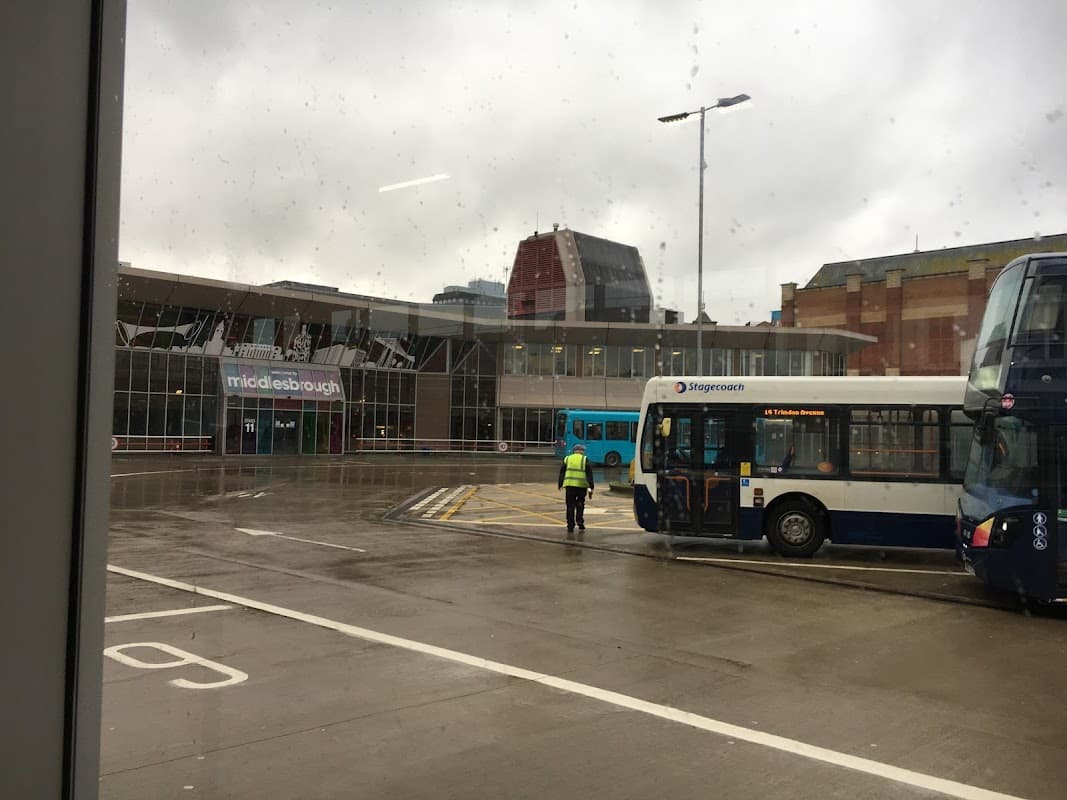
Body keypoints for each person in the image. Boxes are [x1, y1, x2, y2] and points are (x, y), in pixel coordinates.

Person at [558, 442, 595, 534]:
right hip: (581, 486)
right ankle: (580, 522)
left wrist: (560, 483)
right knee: (580, 504)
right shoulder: (585, 459)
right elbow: (589, 474)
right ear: (581, 451)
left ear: (574, 451)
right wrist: (591, 486)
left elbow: (562, 472)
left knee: (570, 505)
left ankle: (570, 525)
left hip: (569, 486)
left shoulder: (567, 458)